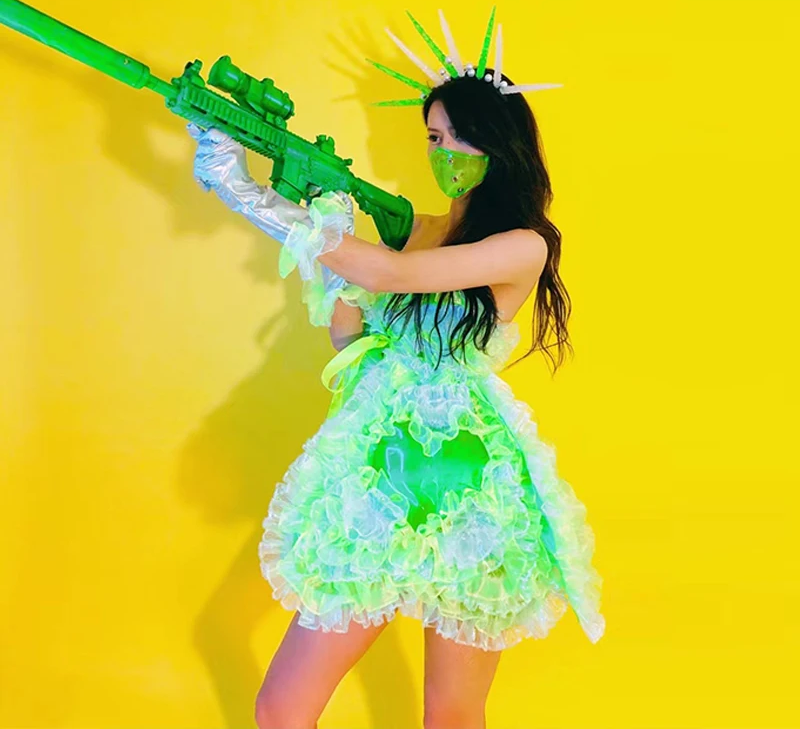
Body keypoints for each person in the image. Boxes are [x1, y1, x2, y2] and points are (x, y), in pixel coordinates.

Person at [188, 59, 604, 729]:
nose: (445, 152)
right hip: (382, 472)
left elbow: (390, 274)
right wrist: (327, 228)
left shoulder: (523, 245)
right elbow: (351, 337)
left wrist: (247, 194)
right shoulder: (417, 227)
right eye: (434, 137)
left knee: (452, 714)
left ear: (501, 144)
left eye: (460, 136)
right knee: (281, 707)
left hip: (469, 482)